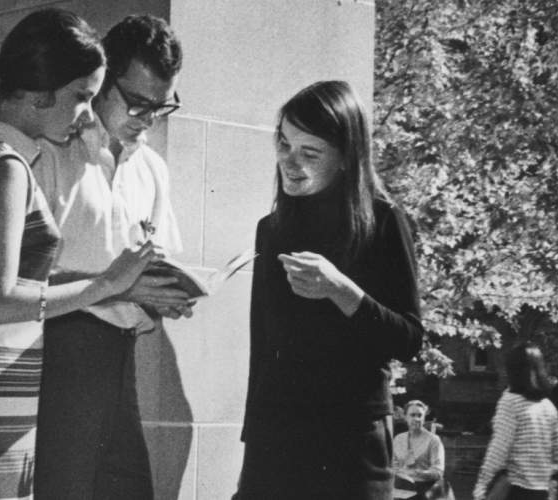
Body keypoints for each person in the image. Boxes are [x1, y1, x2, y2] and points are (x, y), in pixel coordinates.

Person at [0, 8, 157, 500]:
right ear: (42, 92)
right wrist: (107, 284)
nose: (87, 113)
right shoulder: (6, 165)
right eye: (82, 95)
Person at [234, 80, 427, 500]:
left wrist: (342, 291)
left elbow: (410, 338)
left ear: (345, 158)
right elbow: (263, 346)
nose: (290, 161)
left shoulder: (385, 222)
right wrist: (254, 453)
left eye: (310, 152)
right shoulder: (271, 230)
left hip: (352, 447)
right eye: (284, 145)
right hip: (278, 441)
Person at [30, 14, 191, 500]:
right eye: (138, 103)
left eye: (162, 108)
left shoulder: (152, 171)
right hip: (53, 359)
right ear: (102, 81)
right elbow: (16, 282)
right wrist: (119, 283)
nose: (147, 119)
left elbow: (154, 259)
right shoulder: (53, 153)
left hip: (122, 360)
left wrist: (165, 292)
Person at [473, 343, 558, 500]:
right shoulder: (548, 406)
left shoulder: (510, 401)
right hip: (541, 491)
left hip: (515, 489)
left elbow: (500, 447)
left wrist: (482, 484)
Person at [392, 401, 446, 499]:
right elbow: (393, 466)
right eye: (412, 415)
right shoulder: (398, 439)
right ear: (405, 417)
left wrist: (415, 473)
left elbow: (438, 472)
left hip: (426, 492)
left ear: (424, 417)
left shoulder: (433, 440)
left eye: (420, 415)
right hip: (401, 490)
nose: (416, 419)